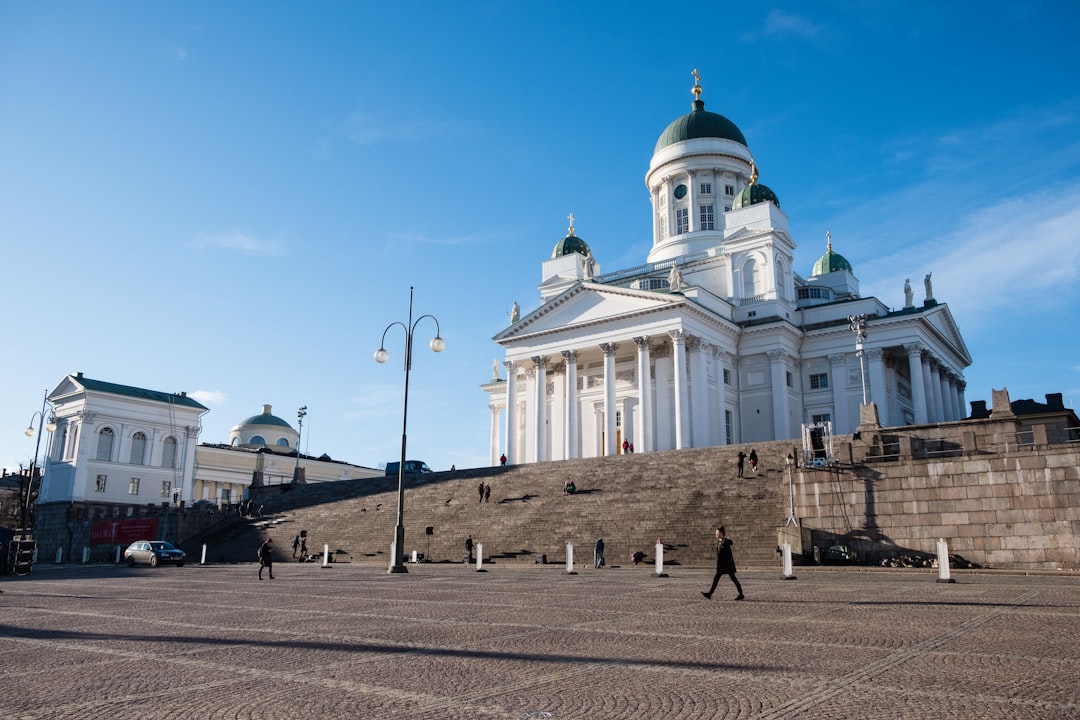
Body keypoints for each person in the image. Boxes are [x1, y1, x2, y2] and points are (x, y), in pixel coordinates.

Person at [702, 526, 744, 600]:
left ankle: (741, 594)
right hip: (722, 566)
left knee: (733, 579)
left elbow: (730, 542)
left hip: (727, 565)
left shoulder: (725, 541)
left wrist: (726, 541)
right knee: (718, 578)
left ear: (721, 533)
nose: (716, 535)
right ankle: (709, 594)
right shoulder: (719, 542)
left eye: (717, 533)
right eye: (716, 533)